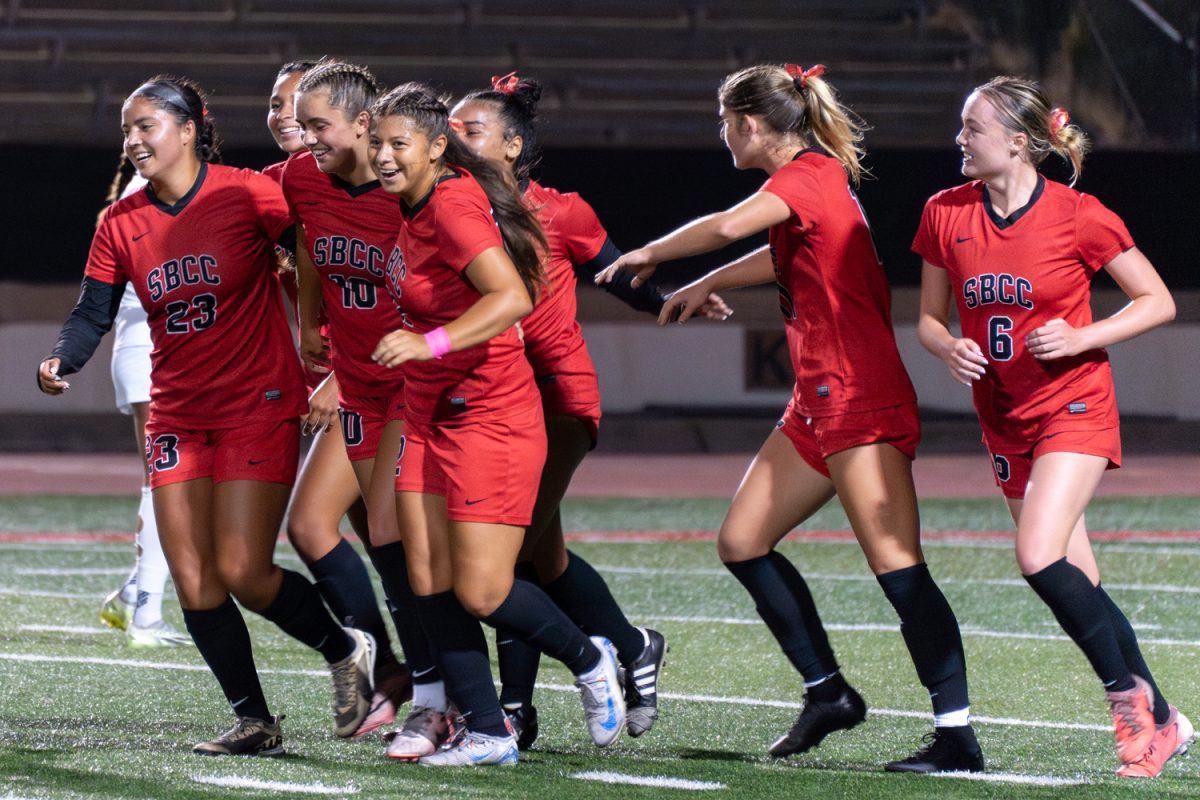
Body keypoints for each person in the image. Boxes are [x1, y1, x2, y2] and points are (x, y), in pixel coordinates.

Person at [599, 63, 983, 773]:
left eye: (724, 122)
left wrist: (649, 253)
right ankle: (828, 692)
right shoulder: (811, 181)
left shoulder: (804, 177)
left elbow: (727, 225)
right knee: (742, 542)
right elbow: (776, 251)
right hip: (817, 399)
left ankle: (956, 733)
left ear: (748, 124)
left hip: (860, 396)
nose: (723, 134)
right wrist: (706, 282)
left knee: (898, 569)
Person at [37, 75, 375, 756]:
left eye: (146, 126)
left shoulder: (245, 191)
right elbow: (91, 312)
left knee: (245, 571)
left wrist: (320, 330)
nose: (133, 140)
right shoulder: (121, 222)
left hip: (258, 402)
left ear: (189, 129)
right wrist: (60, 361)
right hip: (177, 415)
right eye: (126, 130)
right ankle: (255, 720)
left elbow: (314, 242)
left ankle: (346, 649)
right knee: (194, 580)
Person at [913, 76, 1187, 778]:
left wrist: (1081, 336)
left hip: (1073, 405)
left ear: (1018, 140)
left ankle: (1128, 705)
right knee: (1078, 579)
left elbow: (1157, 302)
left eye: (972, 128)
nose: (960, 140)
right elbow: (928, 320)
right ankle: (1168, 722)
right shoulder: (945, 212)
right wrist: (949, 349)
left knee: (1038, 556)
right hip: (1004, 418)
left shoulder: (1078, 215)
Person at [452, 71, 729, 747]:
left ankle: (518, 708)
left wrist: (672, 296)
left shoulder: (560, 210)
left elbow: (616, 274)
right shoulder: (447, 209)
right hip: (492, 399)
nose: (453, 137)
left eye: (471, 129)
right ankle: (634, 645)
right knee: (543, 561)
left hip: (556, 398)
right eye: (450, 128)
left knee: (508, 557)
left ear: (513, 146)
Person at [369, 82, 625, 766]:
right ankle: (488, 732)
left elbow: (510, 297)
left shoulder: (453, 204)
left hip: (489, 415)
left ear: (434, 147)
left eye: (399, 144)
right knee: (427, 580)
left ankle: (591, 657)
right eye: (378, 144)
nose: (385, 156)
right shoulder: (412, 204)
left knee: (482, 589)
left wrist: (432, 344)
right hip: (429, 414)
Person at [283, 58, 428, 739]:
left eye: (317, 123)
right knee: (313, 525)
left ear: (364, 123)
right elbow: (311, 240)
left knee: (401, 540)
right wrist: (313, 319)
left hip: (413, 385)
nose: (303, 136)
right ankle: (395, 671)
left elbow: (438, 294)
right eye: (297, 121)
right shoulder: (301, 177)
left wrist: (341, 371)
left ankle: (462, 691)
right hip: (362, 383)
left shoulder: (411, 188)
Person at [98, 156, 191, 648]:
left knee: (173, 483)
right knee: (165, 481)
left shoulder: (177, 184)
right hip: (150, 345)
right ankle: (146, 612)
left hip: (160, 346)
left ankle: (134, 594)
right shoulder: (150, 190)